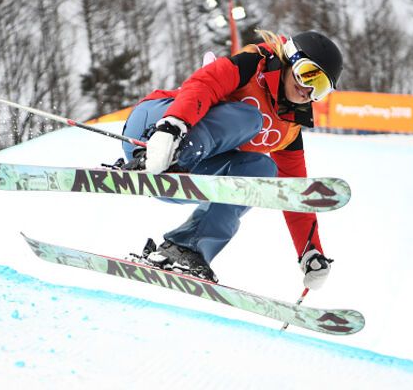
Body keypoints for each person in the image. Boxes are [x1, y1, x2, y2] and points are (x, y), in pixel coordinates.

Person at [120, 30, 343, 289]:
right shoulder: (252, 65)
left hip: (186, 172)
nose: (308, 90)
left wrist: (310, 252)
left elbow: (293, 192)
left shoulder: (289, 128)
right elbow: (204, 83)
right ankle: (165, 156)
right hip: (155, 127)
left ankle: (185, 248)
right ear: (290, 58)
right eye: (307, 74)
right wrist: (172, 127)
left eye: (320, 88)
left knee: (263, 170)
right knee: (249, 117)